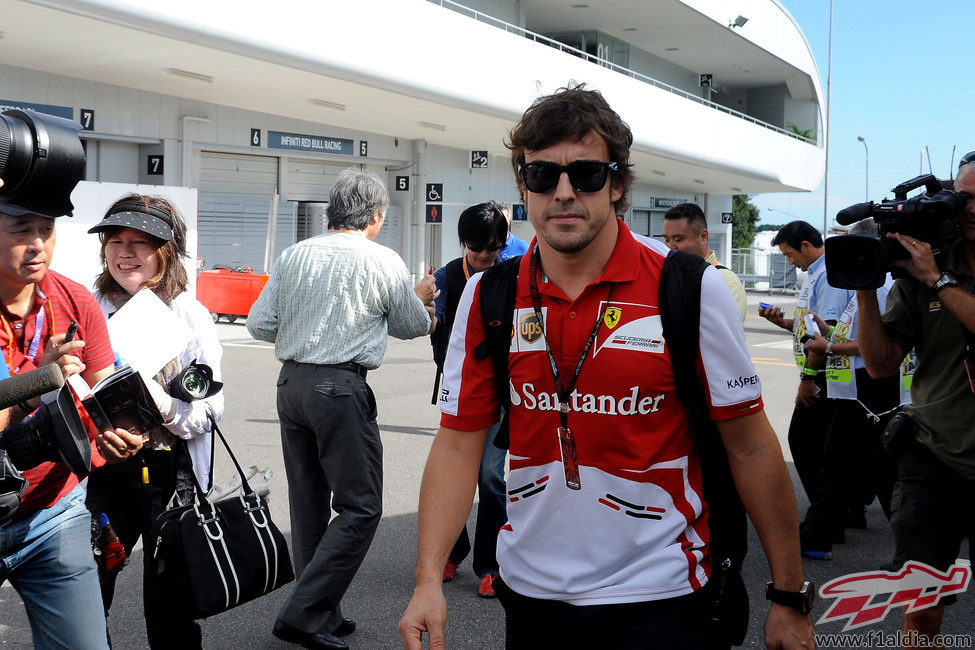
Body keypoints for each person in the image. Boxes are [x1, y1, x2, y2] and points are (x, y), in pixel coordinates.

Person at [400, 85, 814, 650]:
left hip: (663, 598)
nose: (564, 193)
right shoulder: (486, 296)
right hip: (533, 596)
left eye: (587, 175)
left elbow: (751, 446)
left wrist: (789, 596)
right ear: (523, 186)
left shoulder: (691, 288)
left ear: (618, 184)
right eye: (542, 176)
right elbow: (456, 444)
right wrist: (428, 580)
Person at [248, 168, 437, 650]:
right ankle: (304, 613)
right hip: (340, 388)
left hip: (290, 384)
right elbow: (414, 326)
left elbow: (260, 323)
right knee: (361, 505)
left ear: (332, 212)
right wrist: (424, 299)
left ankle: (322, 613)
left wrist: (305, 328)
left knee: (308, 504)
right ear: (375, 216)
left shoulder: (294, 254)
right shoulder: (382, 259)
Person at [0, 199, 144, 649]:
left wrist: (124, 432)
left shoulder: (75, 300)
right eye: (22, 229)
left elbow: (105, 394)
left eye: (47, 229)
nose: (38, 244)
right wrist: (38, 384)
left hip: (52, 513)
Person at [84, 194, 224, 648]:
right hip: (102, 473)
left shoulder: (189, 314)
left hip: (170, 474)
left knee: (169, 600)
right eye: (116, 240)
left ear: (166, 252)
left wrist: (166, 407)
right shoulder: (89, 309)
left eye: (142, 242)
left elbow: (210, 410)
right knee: (88, 586)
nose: (126, 252)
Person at [855, 161, 975, 645]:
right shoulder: (922, 269)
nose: (973, 208)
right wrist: (864, 287)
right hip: (934, 463)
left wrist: (938, 282)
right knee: (921, 610)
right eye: (965, 195)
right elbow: (882, 365)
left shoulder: (932, 274)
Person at [759, 220, 854, 557]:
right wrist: (782, 322)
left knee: (810, 444)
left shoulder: (827, 274)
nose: (789, 262)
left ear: (805, 245)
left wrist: (808, 379)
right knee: (834, 450)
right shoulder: (818, 272)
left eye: (789, 254)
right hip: (829, 371)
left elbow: (823, 336)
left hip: (830, 373)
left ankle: (826, 519)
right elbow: (807, 327)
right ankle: (840, 513)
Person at [430, 201, 508, 598]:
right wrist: (422, 305)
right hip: (460, 392)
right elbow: (432, 320)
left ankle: (492, 565)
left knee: (491, 476)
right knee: (456, 474)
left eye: (494, 247)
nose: (485, 255)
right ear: (464, 242)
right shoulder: (446, 276)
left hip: (501, 393)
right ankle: (453, 550)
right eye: (478, 246)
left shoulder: (509, 277)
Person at [662, 202, 746, 321]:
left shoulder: (726, 282)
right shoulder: (667, 274)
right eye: (666, 240)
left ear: (703, 236)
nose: (670, 247)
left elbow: (723, 332)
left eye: (678, 239)